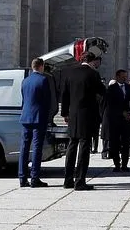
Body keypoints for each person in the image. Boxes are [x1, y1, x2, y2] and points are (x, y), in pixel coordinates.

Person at [60, 51, 105, 190]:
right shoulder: (93, 74)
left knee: (72, 145)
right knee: (84, 147)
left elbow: (64, 95)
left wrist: (65, 113)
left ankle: (67, 180)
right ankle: (80, 181)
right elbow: (103, 92)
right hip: (87, 115)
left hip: (73, 115)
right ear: (91, 61)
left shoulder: (70, 73)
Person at [18, 57, 53, 188]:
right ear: (41, 66)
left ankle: (22, 178)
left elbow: (24, 98)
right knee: (37, 148)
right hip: (39, 117)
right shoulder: (43, 80)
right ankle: (34, 178)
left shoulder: (25, 81)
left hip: (26, 117)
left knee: (24, 147)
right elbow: (47, 100)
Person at [102, 69, 130, 173]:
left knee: (126, 143)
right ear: (117, 77)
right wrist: (121, 112)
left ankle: (124, 164)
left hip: (126, 120)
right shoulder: (111, 88)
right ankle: (116, 164)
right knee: (115, 143)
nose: (124, 78)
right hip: (115, 120)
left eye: (125, 76)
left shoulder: (129, 87)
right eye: (122, 76)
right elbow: (110, 105)